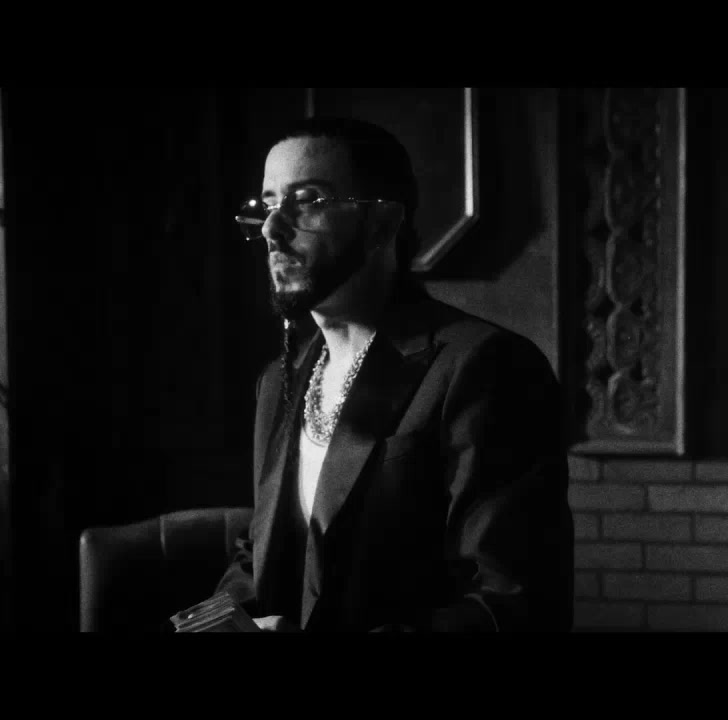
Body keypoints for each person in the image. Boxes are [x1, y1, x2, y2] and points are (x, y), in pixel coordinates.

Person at [213, 116, 574, 632]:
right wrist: (213, 623)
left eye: (307, 201)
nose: (272, 228)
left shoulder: (486, 366)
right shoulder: (278, 382)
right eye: (269, 204)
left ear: (382, 224)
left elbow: (513, 604)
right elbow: (259, 553)